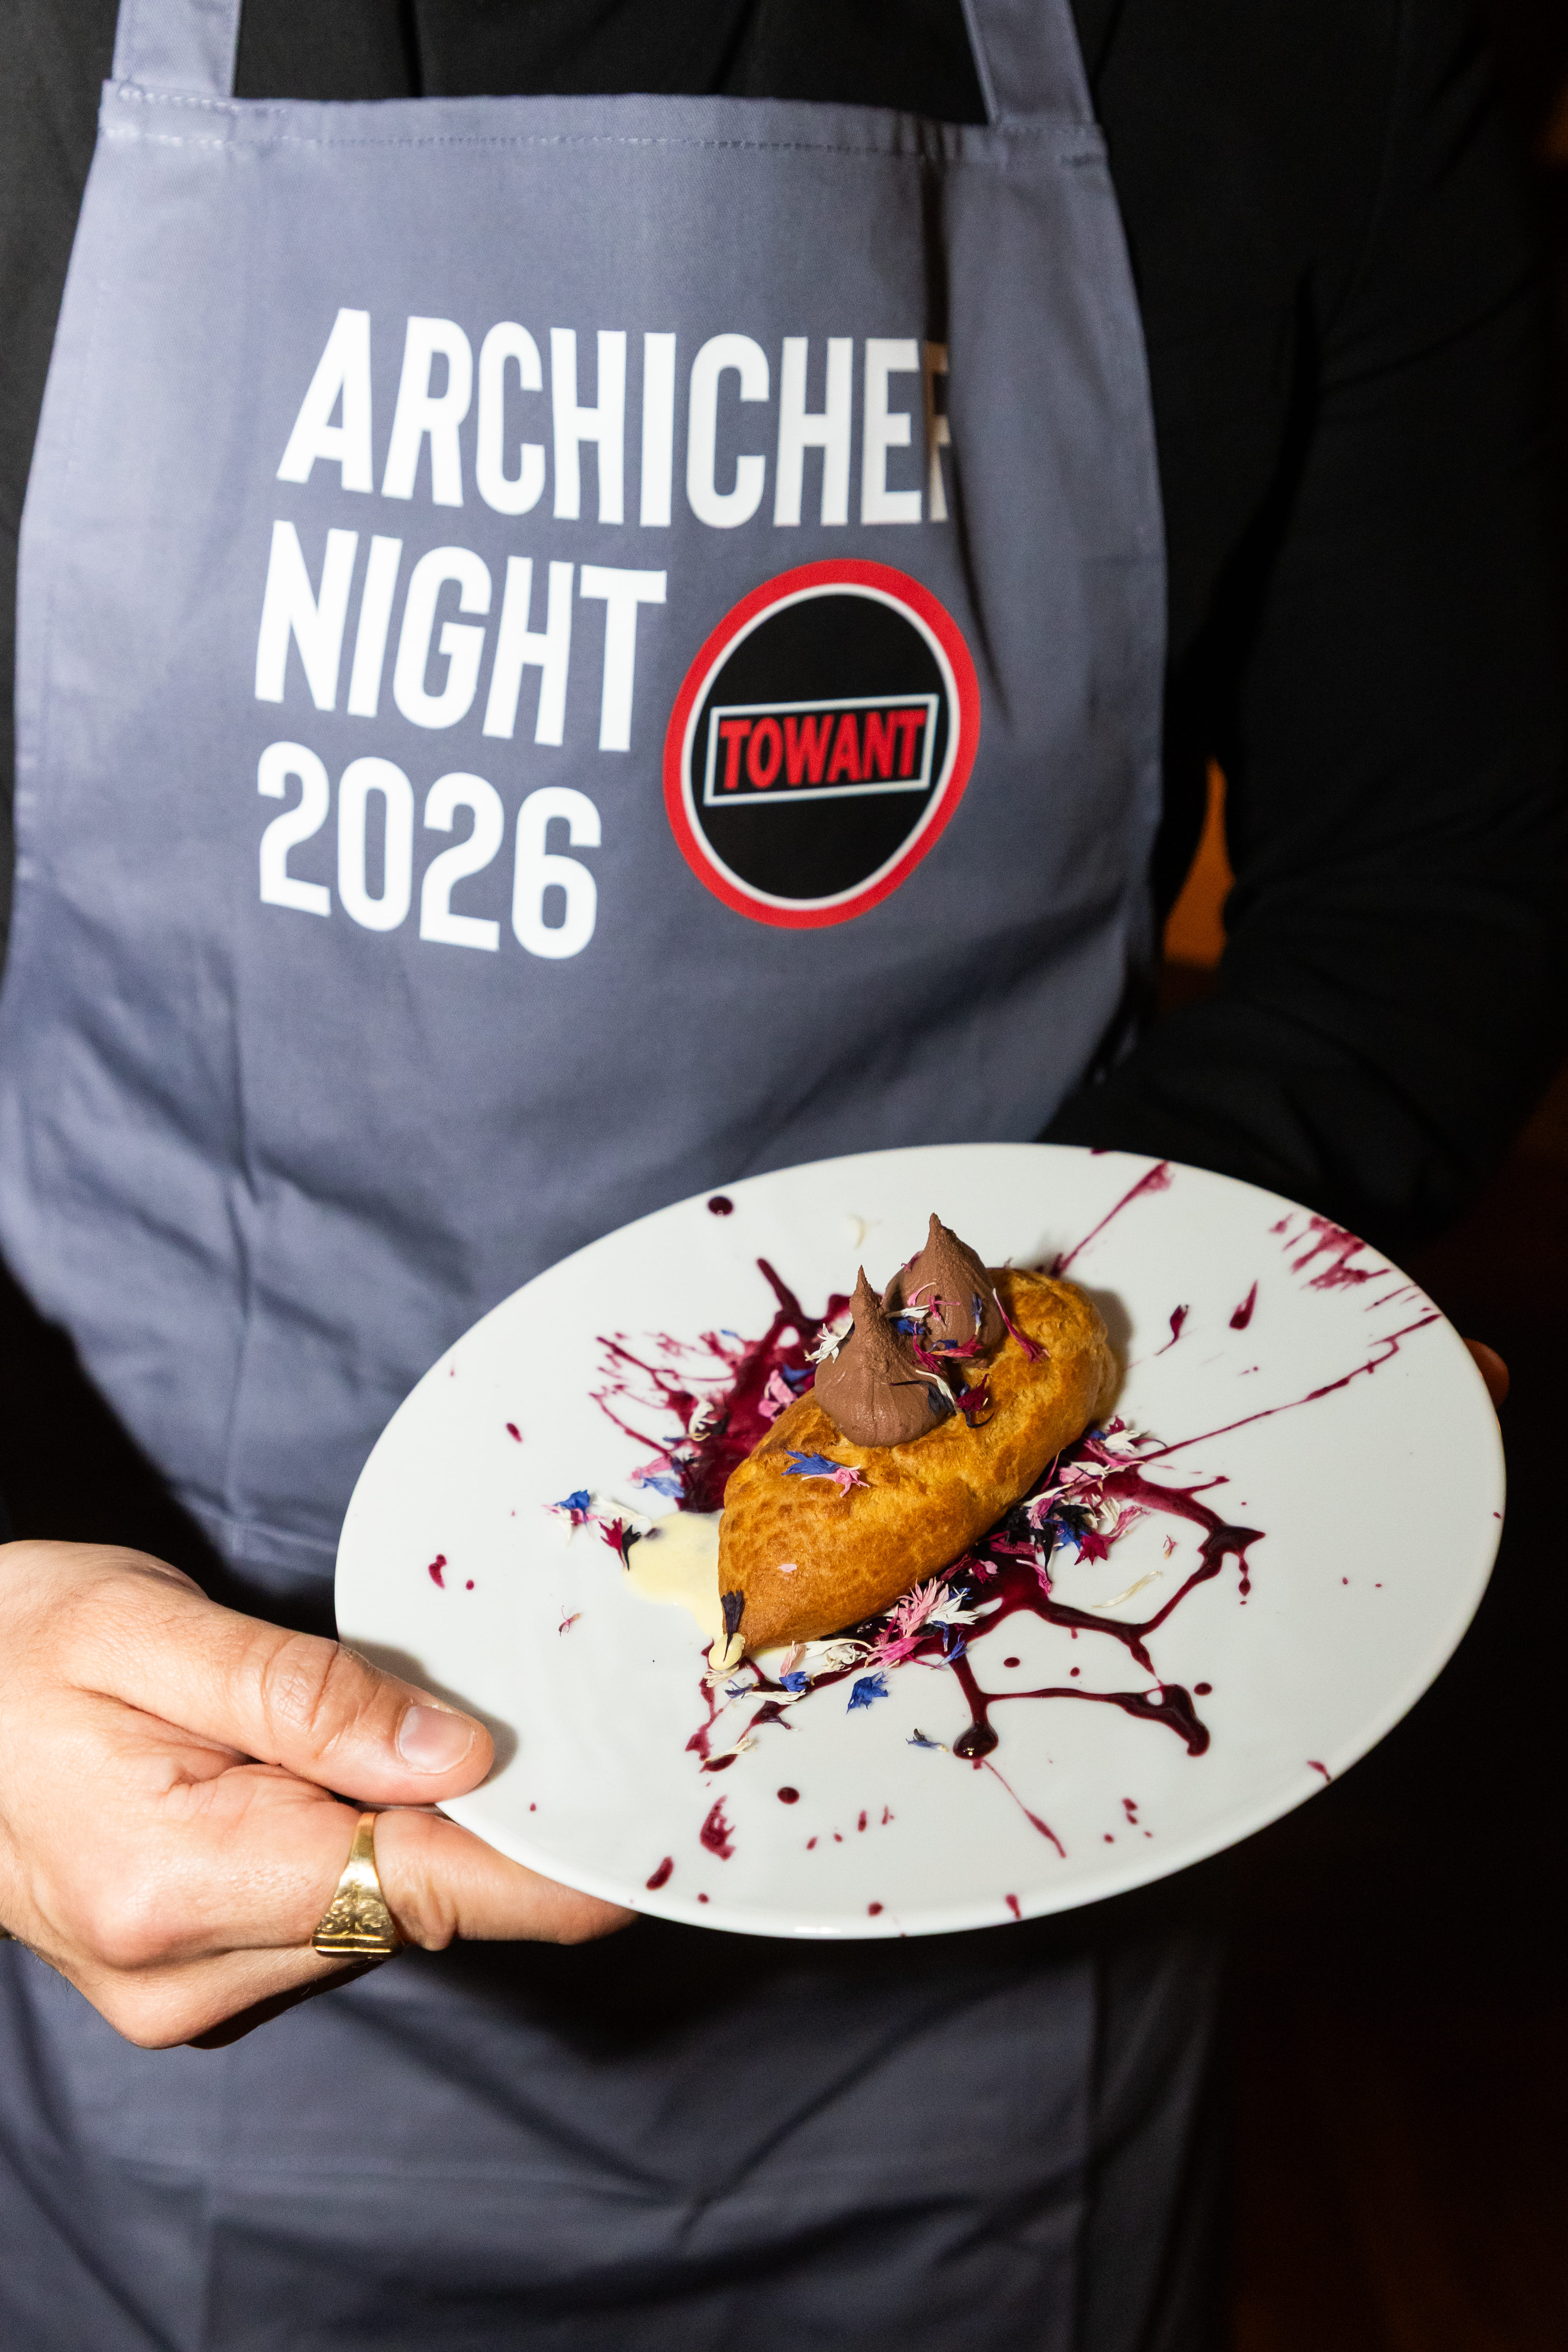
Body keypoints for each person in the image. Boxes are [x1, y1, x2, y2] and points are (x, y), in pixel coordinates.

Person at [0, 0, 1559, 2345]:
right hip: (163, 1912)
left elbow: (1437, 892)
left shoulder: (1304, 46)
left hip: (1009, 1906)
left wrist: (1157, 1325)